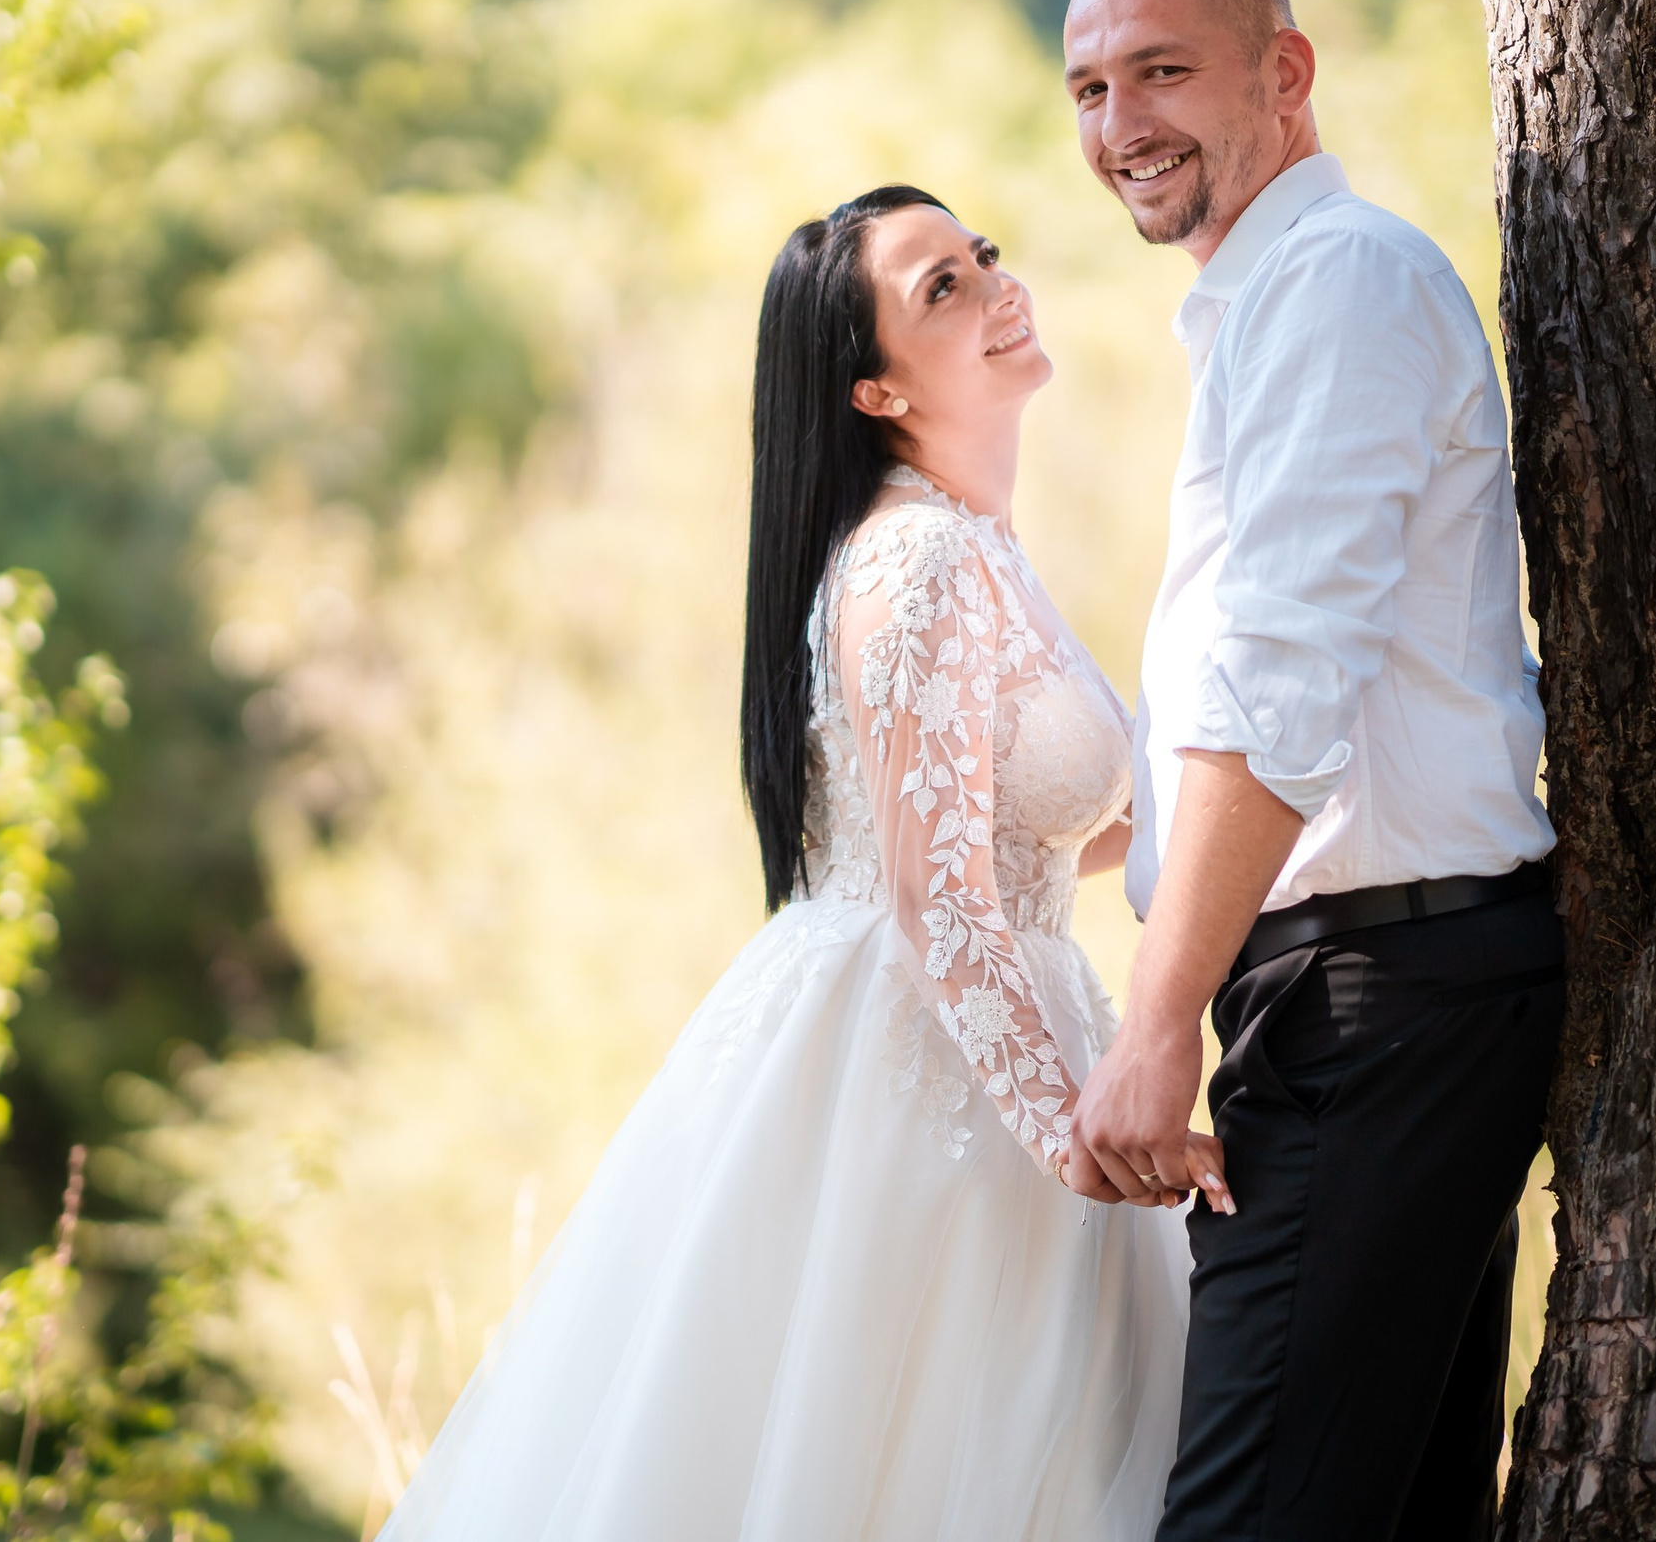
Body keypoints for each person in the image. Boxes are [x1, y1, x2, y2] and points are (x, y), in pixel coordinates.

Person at [375, 185, 1196, 1540]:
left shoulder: (980, 548)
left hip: (1012, 1014)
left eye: (981, 254)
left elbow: (1031, 837)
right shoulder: (916, 559)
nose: (997, 284)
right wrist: (1081, 1138)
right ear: (873, 390)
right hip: (924, 1069)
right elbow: (938, 904)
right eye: (943, 287)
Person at [1053, 0, 1565, 1542]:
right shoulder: (1268, 308)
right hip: (1378, 993)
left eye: (1163, 71)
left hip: (1375, 1007)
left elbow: (1279, 698)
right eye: (1088, 86)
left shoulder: (1335, 287)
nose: (1120, 124)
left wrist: (1154, 1026)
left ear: (1285, 73)